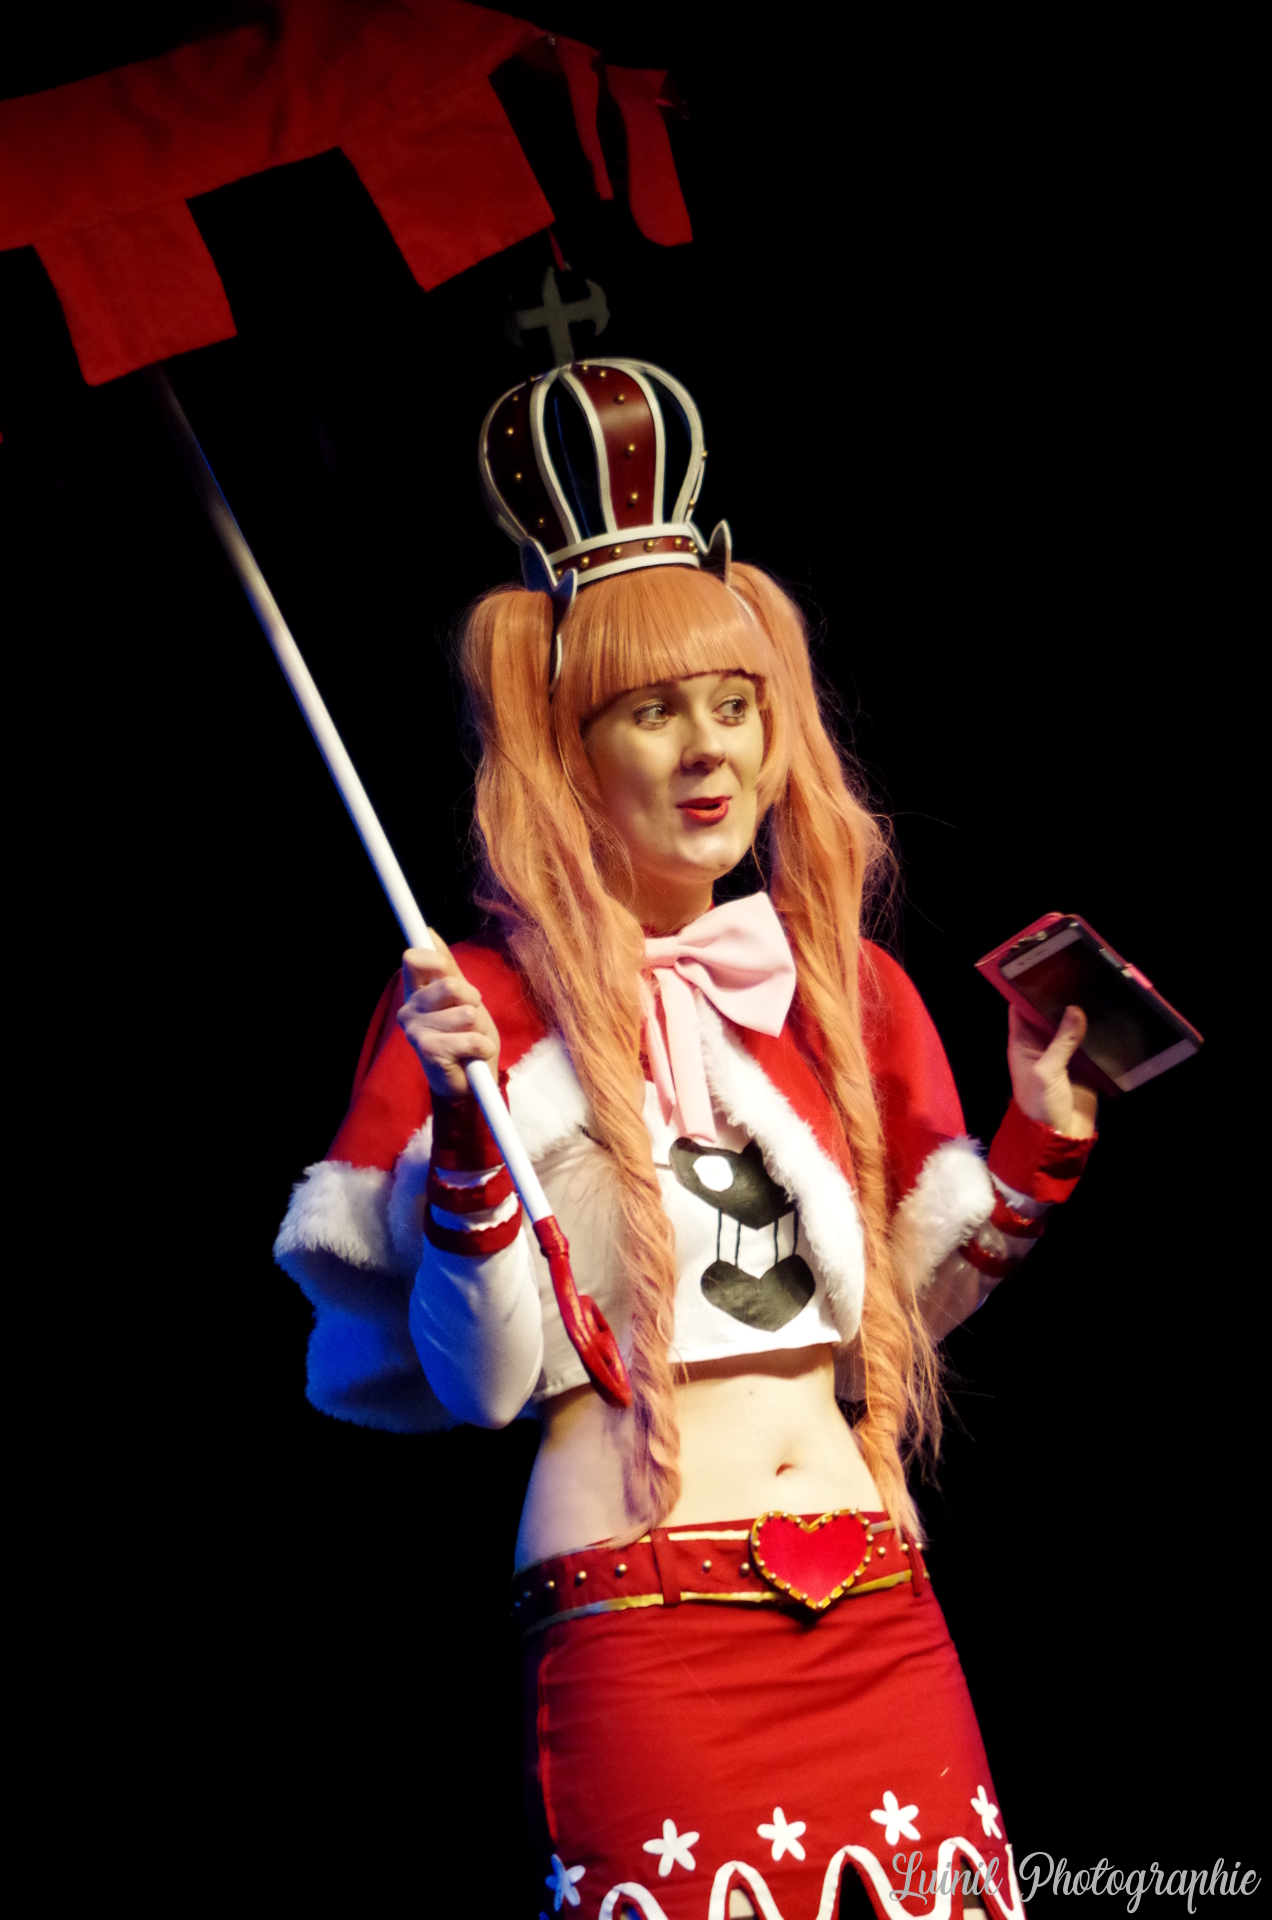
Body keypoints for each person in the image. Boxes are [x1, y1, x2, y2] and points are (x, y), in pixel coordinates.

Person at [275, 360, 1096, 1920]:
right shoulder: (475, 1006)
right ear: (569, 749)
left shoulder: (842, 989)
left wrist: (1033, 1158)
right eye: (655, 713)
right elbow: (479, 1382)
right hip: (647, 1618)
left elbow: (894, 1320)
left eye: (734, 705)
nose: (709, 750)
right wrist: (462, 1125)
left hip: (879, 1600)